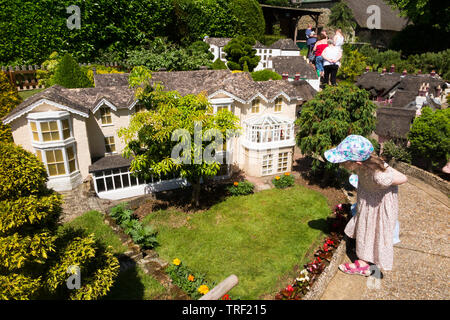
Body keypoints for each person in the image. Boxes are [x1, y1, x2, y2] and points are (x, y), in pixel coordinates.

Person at [324, 135, 408, 276]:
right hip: (368, 202)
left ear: (357, 162)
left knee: (373, 230)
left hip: (379, 206)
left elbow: (404, 178)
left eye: (344, 162)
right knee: (365, 228)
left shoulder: (379, 176)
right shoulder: (364, 166)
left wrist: (388, 173)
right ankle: (364, 260)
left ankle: (365, 264)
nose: (341, 164)